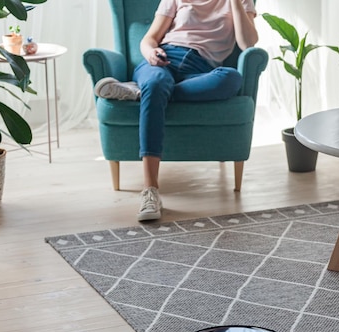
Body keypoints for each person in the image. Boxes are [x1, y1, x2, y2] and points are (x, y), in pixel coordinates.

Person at [95, 0, 259, 221]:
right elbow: (149, 39)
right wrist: (151, 53)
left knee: (231, 78)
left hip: (200, 71)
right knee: (155, 84)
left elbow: (248, 43)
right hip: (163, 61)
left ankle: (141, 94)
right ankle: (150, 190)